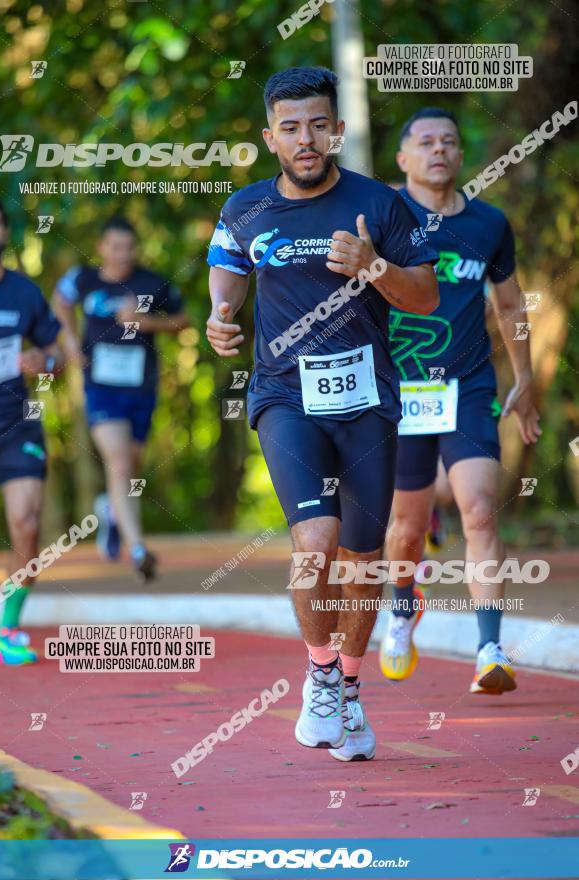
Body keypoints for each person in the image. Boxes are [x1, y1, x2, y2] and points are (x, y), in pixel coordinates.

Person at [206, 67, 438, 761]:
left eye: (316, 125)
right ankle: (317, 675)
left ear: (335, 129)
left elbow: (423, 296)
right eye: (290, 127)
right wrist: (221, 315)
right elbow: (227, 270)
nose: (304, 140)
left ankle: (351, 689)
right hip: (285, 396)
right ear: (269, 137)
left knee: (361, 559)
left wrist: (373, 267)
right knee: (315, 541)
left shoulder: (380, 205)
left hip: (367, 400)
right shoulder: (247, 207)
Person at [379, 108, 541, 694]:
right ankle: (402, 606)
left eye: (448, 141)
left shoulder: (488, 225)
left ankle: (489, 649)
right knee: (405, 527)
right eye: (424, 142)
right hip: (399, 390)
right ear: (403, 158)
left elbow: (511, 305)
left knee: (478, 508)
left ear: (460, 154)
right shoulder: (383, 217)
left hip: (468, 384)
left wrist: (522, 380)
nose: (438, 150)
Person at [52, 216, 188, 582]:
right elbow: (60, 302)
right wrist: (69, 342)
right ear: (101, 248)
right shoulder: (83, 279)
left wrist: (146, 322)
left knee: (132, 465)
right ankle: (139, 549)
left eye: (128, 247)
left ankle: (111, 514)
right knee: (120, 464)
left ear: (135, 248)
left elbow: (184, 320)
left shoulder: (152, 283)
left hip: (141, 388)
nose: (121, 254)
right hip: (101, 386)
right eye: (114, 247)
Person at [0, 197, 64, 665]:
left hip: (17, 423)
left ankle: (8, 627)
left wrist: (47, 362)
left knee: (27, 526)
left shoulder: (24, 292)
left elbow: (56, 349)